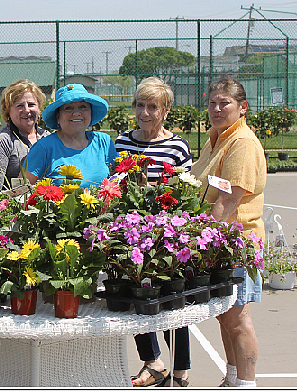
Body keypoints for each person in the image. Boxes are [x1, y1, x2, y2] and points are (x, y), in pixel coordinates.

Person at [115, 77, 192, 387]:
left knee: (175, 301)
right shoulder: (122, 142)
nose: (144, 113)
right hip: (132, 235)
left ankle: (181, 369)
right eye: (140, 105)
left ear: (166, 110)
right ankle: (152, 361)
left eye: (152, 107)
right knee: (137, 297)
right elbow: (117, 186)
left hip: (165, 237)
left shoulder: (177, 146)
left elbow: (185, 192)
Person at [191, 76, 266, 388]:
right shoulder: (217, 138)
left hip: (237, 243)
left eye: (225, 103)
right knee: (225, 315)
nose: (217, 108)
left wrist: (201, 243)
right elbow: (197, 181)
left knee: (238, 318)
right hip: (219, 241)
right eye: (212, 103)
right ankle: (233, 377)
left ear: (243, 107)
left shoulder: (242, 143)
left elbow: (230, 199)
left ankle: (246, 384)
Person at [24, 83, 116, 188]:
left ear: (91, 113)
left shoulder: (103, 141)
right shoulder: (44, 148)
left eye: (83, 107)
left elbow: (117, 180)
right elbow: (21, 190)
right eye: (68, 108)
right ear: (58, 117)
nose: (76, 113)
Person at [0, 79, 50, 193]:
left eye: (31, 104)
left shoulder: (47, 137)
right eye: (20, 106)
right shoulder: (3, 140)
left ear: (39, 108)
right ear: (8, 111)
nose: (27, 110)